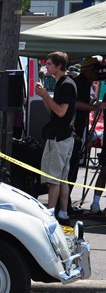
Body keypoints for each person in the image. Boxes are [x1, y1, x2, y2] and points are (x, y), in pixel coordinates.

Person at [35, 51, 77, 225]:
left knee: (54, 180)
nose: (47, 67)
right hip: (62, 136)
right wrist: (44, 96)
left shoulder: (66, 84)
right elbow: (53, 111)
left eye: (50, 64)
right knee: (62, 179)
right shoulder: (61, 83)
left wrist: (45, 95)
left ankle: (51, 215)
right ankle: (63, 212)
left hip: (60, 138)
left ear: (59, 66)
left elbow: (60, 112)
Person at [70, 56, 105, 214]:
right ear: (90, 70)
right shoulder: (81, 83)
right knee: (70, 169)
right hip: (73, 131)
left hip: (77, 130)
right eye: (96, 71)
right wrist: (94, 107)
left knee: (74, 168)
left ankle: (65, 204)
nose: (98, 74)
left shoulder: (85, 83)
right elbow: (75, 103)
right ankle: (64, 205)